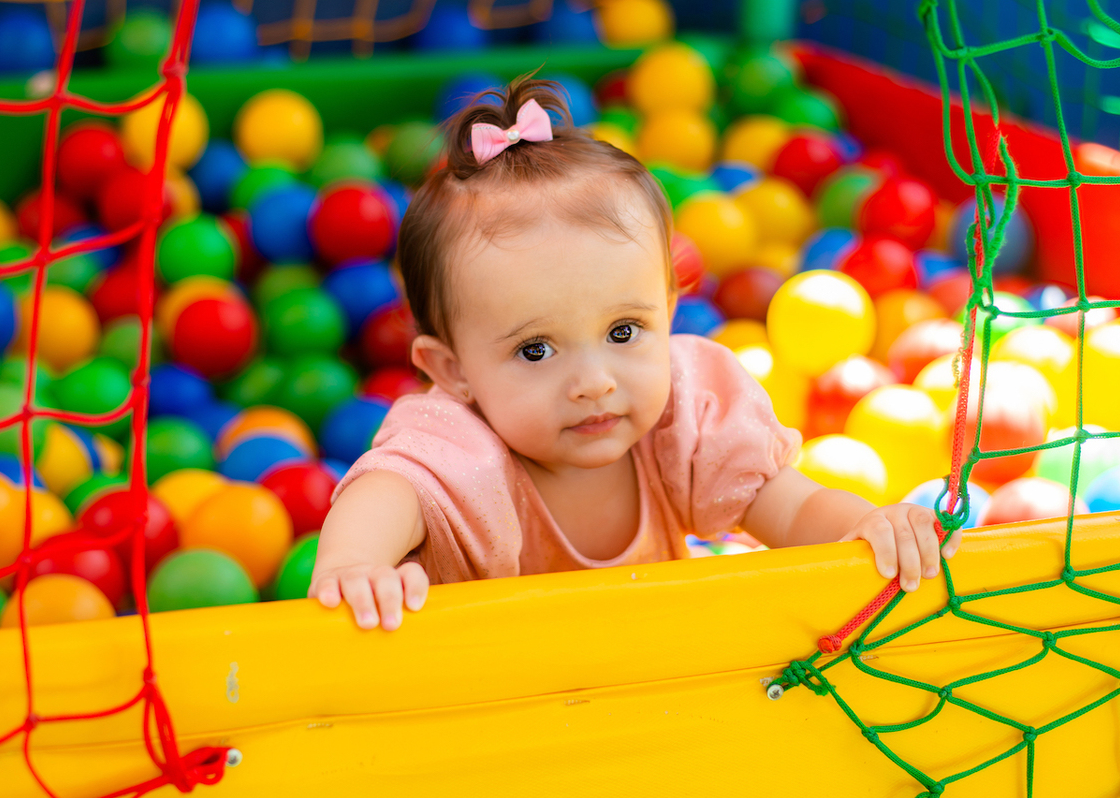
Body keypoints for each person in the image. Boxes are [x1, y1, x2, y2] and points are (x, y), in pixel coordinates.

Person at [313, 80, 956, 630]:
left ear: (670, 312)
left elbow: (790, 505)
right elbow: (391, 488)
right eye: (536, 349)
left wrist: (866, 525)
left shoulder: (682, 419)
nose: (594, 382)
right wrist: (356, 566)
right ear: (453, 371)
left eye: (624, 332)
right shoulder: (461, 447)